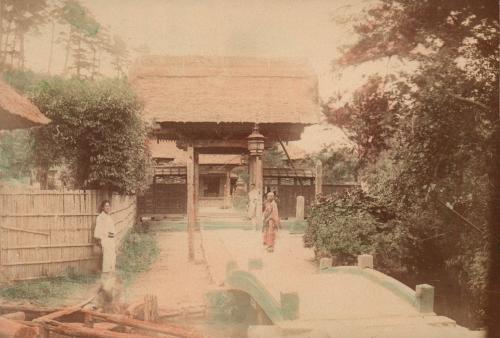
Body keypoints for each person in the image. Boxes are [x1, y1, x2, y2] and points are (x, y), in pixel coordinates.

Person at [94, 200, 116, 276]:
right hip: (105, 239)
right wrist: (99, 240)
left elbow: (111, 229)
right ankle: (106, 273)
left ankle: (111, 272)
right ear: (103, 207)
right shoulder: (100, 217)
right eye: (106, 206)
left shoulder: (108, 216)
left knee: (112, 256)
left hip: (111, 239)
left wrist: (112, 238)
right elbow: (98, 229)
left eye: (108, 206)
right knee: (106, 256)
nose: (107, 207)